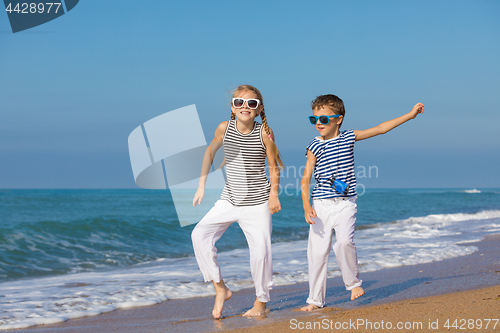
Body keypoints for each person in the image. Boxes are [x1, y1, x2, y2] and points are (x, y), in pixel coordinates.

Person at [300, 94, 424, 311]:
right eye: (314, 120)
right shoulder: (314, 145)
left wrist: (410, 116)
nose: (318, 123)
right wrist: (306, 205)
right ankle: (315, 300)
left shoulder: (349, 137)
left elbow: (381, 128)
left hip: (346, 203)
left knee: (344, 243)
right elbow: (305, 178)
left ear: (338, 119)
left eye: (323, 119)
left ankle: (353, 284)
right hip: (320, 205)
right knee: (318, 253)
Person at [191, 84, 283, 319]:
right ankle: (221, 288)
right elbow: (209, 153)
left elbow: (273, 166)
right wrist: (201, 186)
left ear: (259, 108)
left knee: (261, 253)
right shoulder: (224, 128)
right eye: (239, 102)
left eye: (251, 103)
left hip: (258, 203)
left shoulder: (265, 132)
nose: (245, 107)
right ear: (232, 107)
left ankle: (261, 302)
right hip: (229, 200)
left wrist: (274, 194)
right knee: (199, 235)